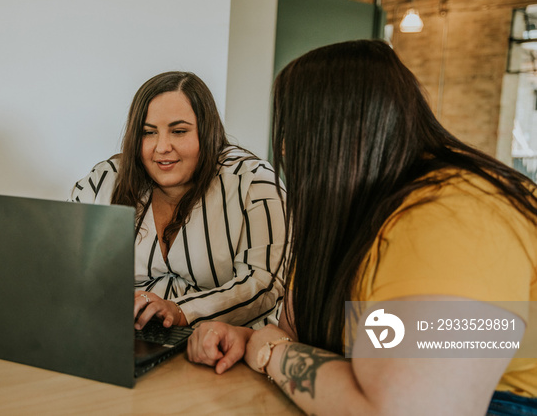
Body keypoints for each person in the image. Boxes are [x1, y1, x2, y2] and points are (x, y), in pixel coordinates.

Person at [187, 40, 537, 415]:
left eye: (292, 133)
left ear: (330, 137)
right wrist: (249, 338)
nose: (286, 150)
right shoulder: (357, 211)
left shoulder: (457, 213)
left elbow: (407, 409)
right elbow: (298, 329)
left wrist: (270, 352)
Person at [70, 71, 286, 330]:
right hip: (117, 339)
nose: (162, 147)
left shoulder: (252, 182)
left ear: (207, 132)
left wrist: (182, 311)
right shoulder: (103, 180)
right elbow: (66, 269)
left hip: (222, 347)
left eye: (179, 131)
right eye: (149, 133)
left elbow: (263, 283)